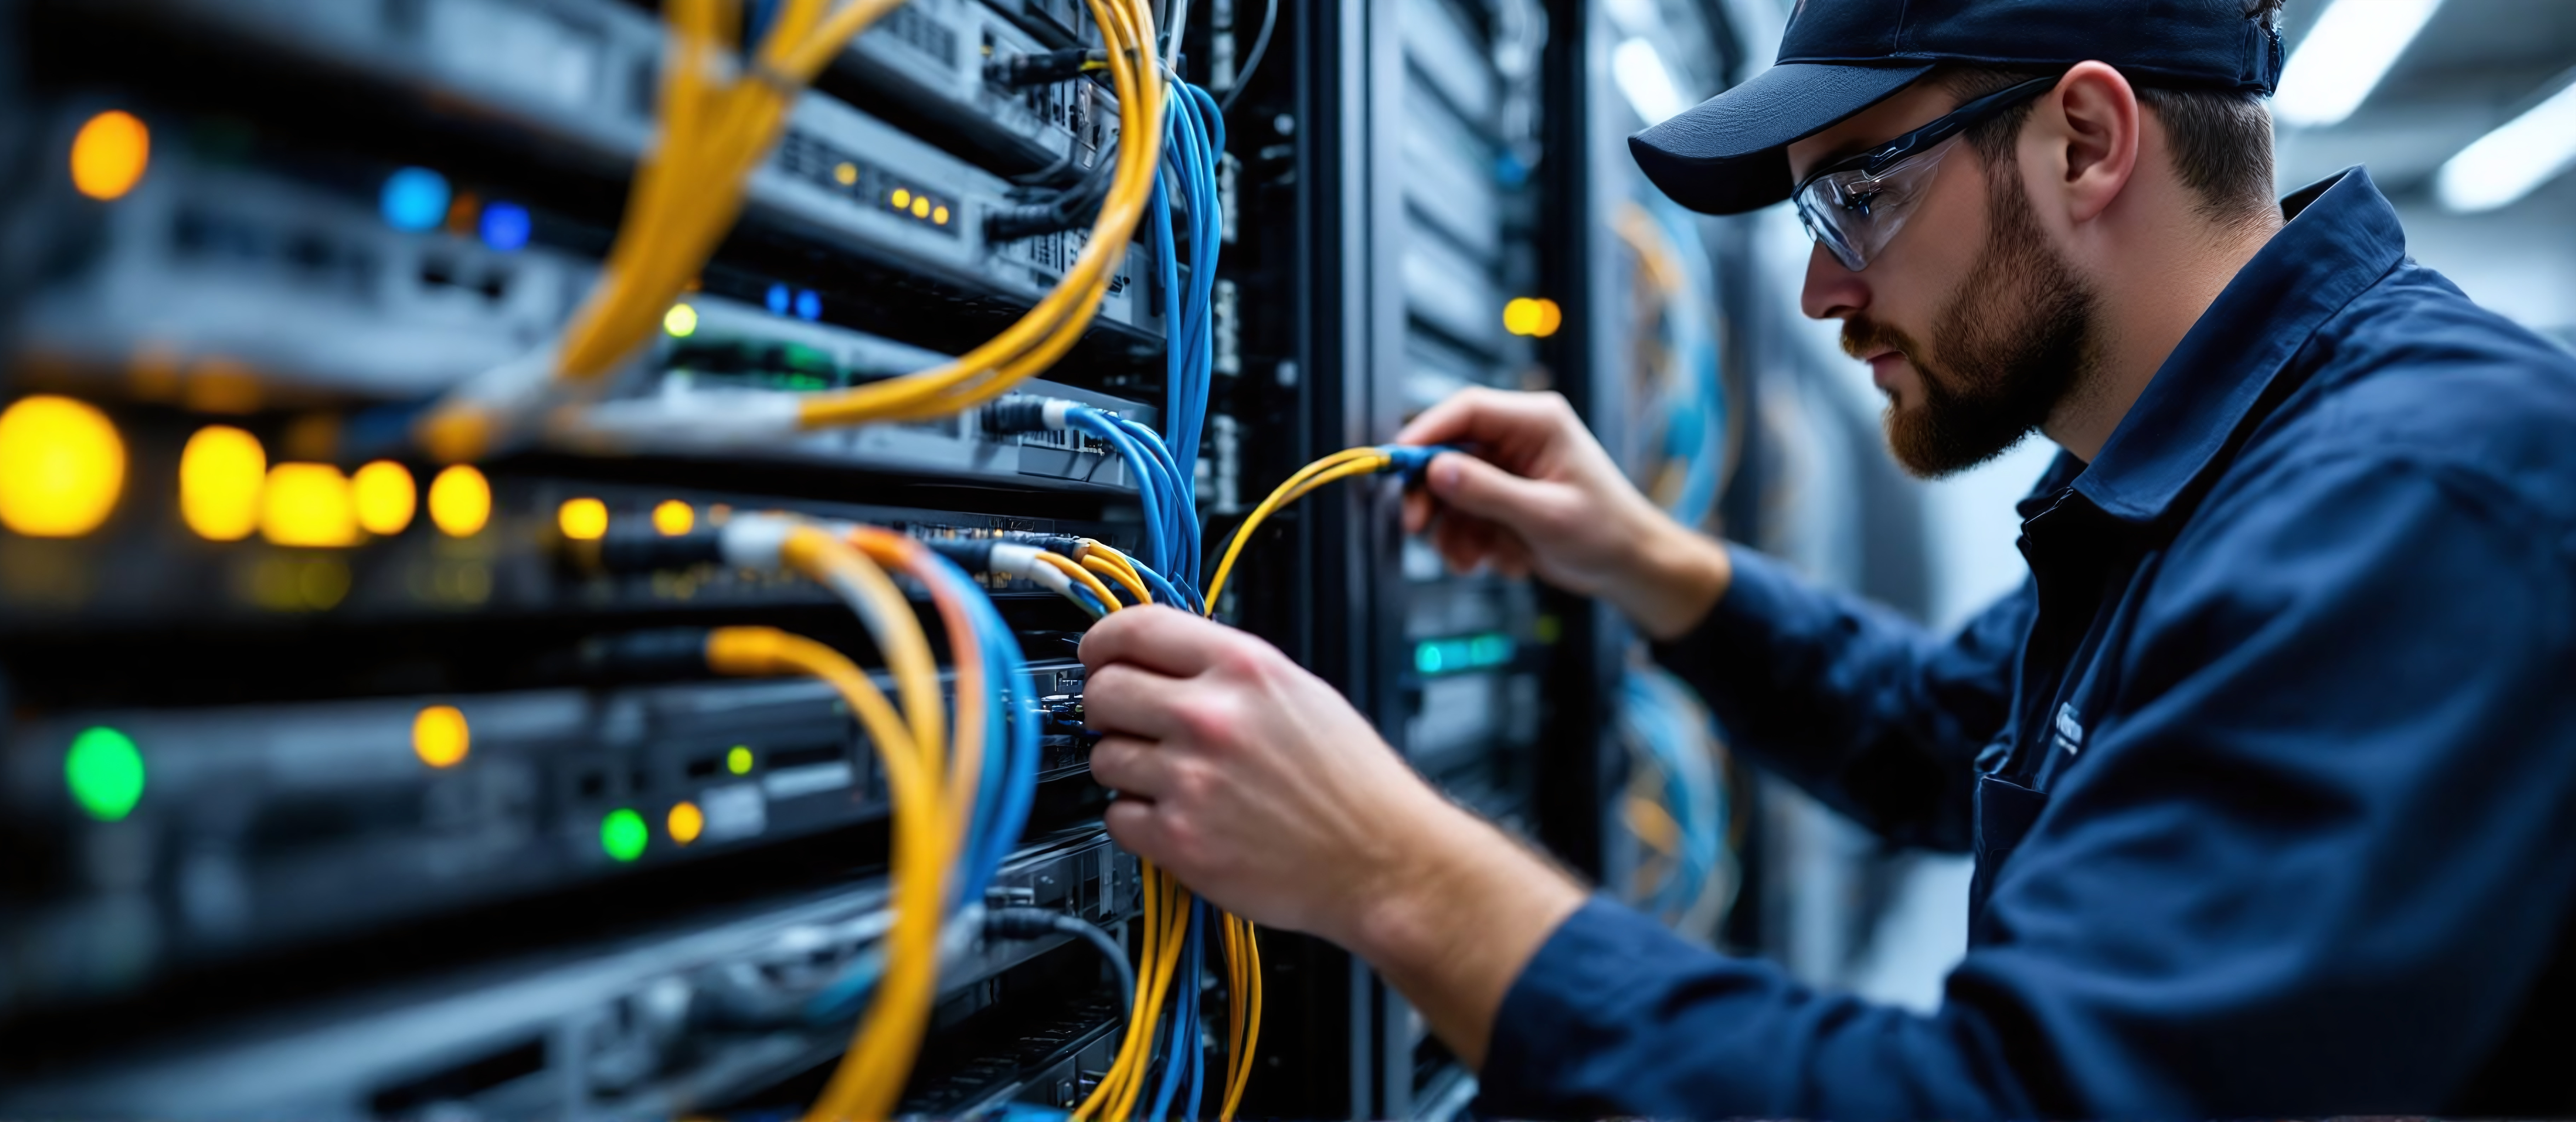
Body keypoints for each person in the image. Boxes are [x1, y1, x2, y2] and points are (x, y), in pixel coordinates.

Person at [1080, 0, 2576, 1114]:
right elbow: (1940, 732)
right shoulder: (2215, 471)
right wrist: (1637, 557)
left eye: (1857, 194)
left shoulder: (2413, 499)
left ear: (2085, 141)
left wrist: (1392, 869)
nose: (1816, 289)